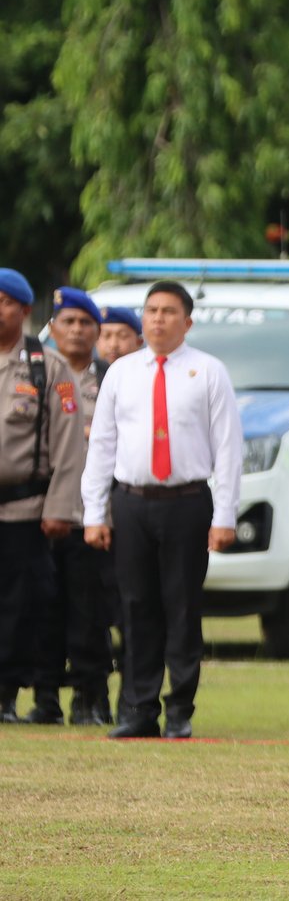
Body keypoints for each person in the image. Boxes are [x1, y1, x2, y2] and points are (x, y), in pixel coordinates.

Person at [81, 280, 242, 739]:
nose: (158, 319)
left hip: (186, 501)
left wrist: (225, 515)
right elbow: (103, 445)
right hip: (132, 501)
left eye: (168, 311)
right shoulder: (122, 373)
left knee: (182, 605)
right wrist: (94, 512)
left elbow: (228, 447)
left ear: (186, 322)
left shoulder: (208, 371)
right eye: (151, 310)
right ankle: (139, 707)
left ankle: (180, 709)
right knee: (136, 606)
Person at [0, 269, 88, 726]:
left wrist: (59, 508)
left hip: (24, 507)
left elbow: (70, 446)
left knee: (19, 607)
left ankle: (5, 694)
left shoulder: (48, 368)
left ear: (23, 310)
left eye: (4, 302)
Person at [32, 289, 115, 725]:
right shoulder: (37, 372)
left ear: (97, 331)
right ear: (53, 328)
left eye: (86, 323)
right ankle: (44, 697)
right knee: (42, 610)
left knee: (90, 612)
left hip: (93, 517)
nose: (77, 330)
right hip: (41, 512)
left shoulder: (113, 377)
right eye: (68, 322)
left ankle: (90, 698)